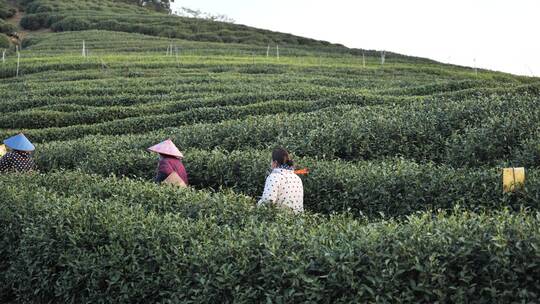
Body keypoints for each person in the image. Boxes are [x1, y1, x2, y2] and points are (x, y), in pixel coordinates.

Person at [258, 148, 304, 213]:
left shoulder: (274, 177)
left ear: (275, 162)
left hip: (280, 220)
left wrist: (257, 204)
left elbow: (268, 202)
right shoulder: (297, 178)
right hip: (298, 220)